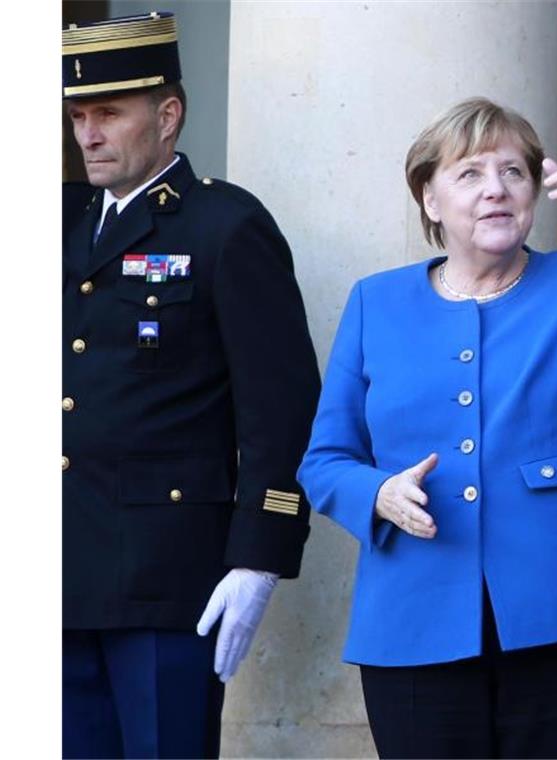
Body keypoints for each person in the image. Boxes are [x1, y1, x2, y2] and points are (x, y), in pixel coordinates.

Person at [297, 97, 557, 759]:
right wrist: (380, 495)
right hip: (417, 614)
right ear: (429, 198)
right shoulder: (376, 302)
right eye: (470, 174)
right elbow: (325, 458)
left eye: (514, 172)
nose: (496, 190)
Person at [61, 13, 321, 758]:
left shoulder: (225, 227)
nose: (89, 135)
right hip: (57, 575)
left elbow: (281, 411)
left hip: (169, 581)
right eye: (79, 116)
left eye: (108, 112)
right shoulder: (59, 221)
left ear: (168, 114)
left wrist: (259, 557)